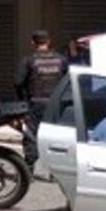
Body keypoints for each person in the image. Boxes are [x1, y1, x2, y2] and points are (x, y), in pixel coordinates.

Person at [15, 30, 68, 168]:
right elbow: (67, 82)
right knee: (54, 135)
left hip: (35, 104)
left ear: (33, 42)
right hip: (55, 105)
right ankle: (54, 169)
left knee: (32, 135)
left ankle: (29, 168)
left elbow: (18, 82)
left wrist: (23, 100)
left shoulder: (28, 60)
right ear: (48, 42)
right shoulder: (61, 60)